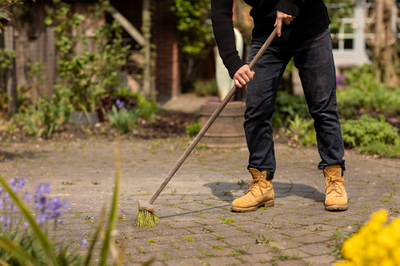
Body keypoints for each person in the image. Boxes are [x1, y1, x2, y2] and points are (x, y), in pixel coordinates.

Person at [210, 0, 348, 212]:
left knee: (323, 107)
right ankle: (261, 183)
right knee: (256, 108)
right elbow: (220, 12)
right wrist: (233, 63)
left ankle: (334, 178)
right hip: (267, 34)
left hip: (310, 29)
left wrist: (289, 2)